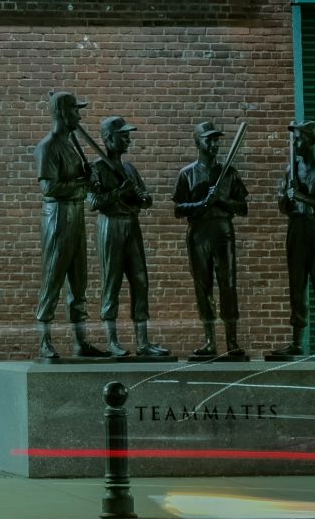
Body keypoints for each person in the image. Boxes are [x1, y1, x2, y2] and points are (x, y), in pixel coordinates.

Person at [33, 92, 111, 361]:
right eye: (75, 111)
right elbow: (49, 187)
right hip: (57, 218)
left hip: (76, 217)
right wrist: (82, 184)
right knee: (53, 279)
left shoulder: (71, 145)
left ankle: (81, 341)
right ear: (64, 113)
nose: (79, 116)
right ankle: (45, 341)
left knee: (79, 283)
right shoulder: (48, 146)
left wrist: (90, 182)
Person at [89, 116, 169, 358]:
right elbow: (93, 202)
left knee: (141, 281)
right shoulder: (97, 168)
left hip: (132, 227)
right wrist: (118, 193)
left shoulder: (129, 169)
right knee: (111, 283)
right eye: (123, 136)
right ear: (108, 139)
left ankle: (143, 342)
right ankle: (112, 341)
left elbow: (147, 199)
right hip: (110, 227)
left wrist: (143, 198)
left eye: (128, 135)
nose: (128, 140)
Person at [173, 121, 248, 358]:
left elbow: (243, 207)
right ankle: (209, 341)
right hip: (198, 233)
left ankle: (232, 341)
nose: (214, 144)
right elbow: (178, 208)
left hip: (222, 231)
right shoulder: (187, 173)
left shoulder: (229, 172)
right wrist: (202, 202)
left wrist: (221, 201)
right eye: (209, 140)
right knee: (202, 286)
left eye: (216, 140)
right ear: (198, 142)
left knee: (228, 284)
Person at [273, 120, 315, 358]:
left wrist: (303, 196)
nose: (295, 143)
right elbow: (282, 204)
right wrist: (287, 197)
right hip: (297, 227)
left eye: (299, 139)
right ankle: (297, 342)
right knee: (297, 284)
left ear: (311, 141)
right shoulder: (291, 169)